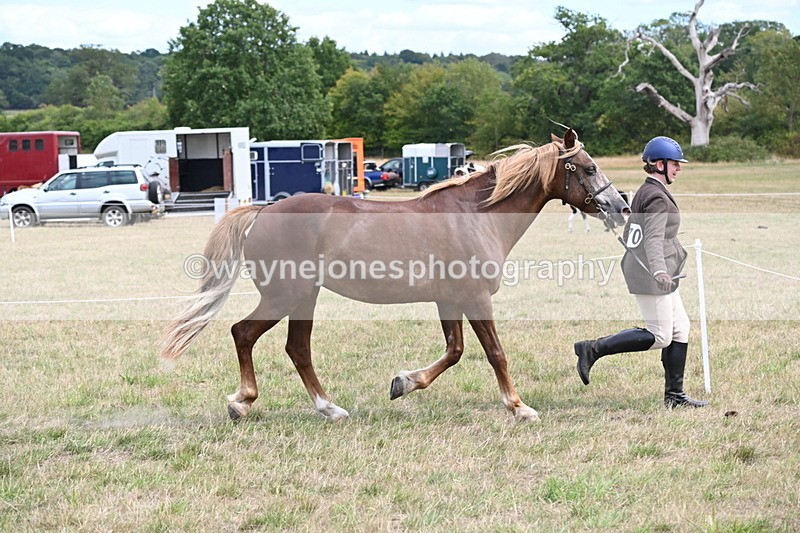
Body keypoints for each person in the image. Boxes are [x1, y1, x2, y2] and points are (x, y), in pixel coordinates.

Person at [573, 136, 707, 408]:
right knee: (661, 336)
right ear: (659, 164)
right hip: (650, 271)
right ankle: (592, 348)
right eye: (675, 164)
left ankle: (674, 396)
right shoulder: (656, 197)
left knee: (680, 328)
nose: (679, 169)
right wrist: (659, 270)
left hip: (657, 269)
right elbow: (653, 239)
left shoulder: (647, 190)